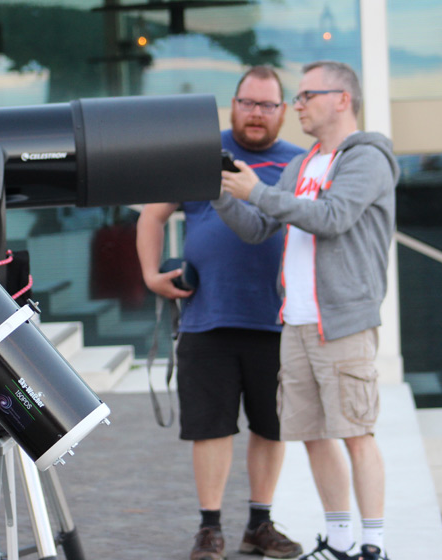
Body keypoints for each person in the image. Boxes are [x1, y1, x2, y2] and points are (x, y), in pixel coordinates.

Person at [216, 60, 399, 560]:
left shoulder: (367, 159)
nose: (296, 106)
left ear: (342, 99)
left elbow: (333, 217)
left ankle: (373, 545)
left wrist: (258, 190)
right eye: (296, 98)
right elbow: (258, 228)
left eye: (305, 96)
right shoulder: (302, 165)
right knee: (315, 437)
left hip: (341, 322)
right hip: (294, 322)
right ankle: (339, 541)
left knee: (356, 435)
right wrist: (223, 193)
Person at [136, 66, 305, 560]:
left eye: (267, 105)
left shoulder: (297, 163)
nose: (256, 113)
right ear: (233, 105)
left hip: (277, 320)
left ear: (282, 111)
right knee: (210, 427)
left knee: (272, 427)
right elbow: (153, 214)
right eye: (248, 103)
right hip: (206, 316)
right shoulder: (201, 155)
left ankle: (260, 523)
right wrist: (150, 276)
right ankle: (210, 527)